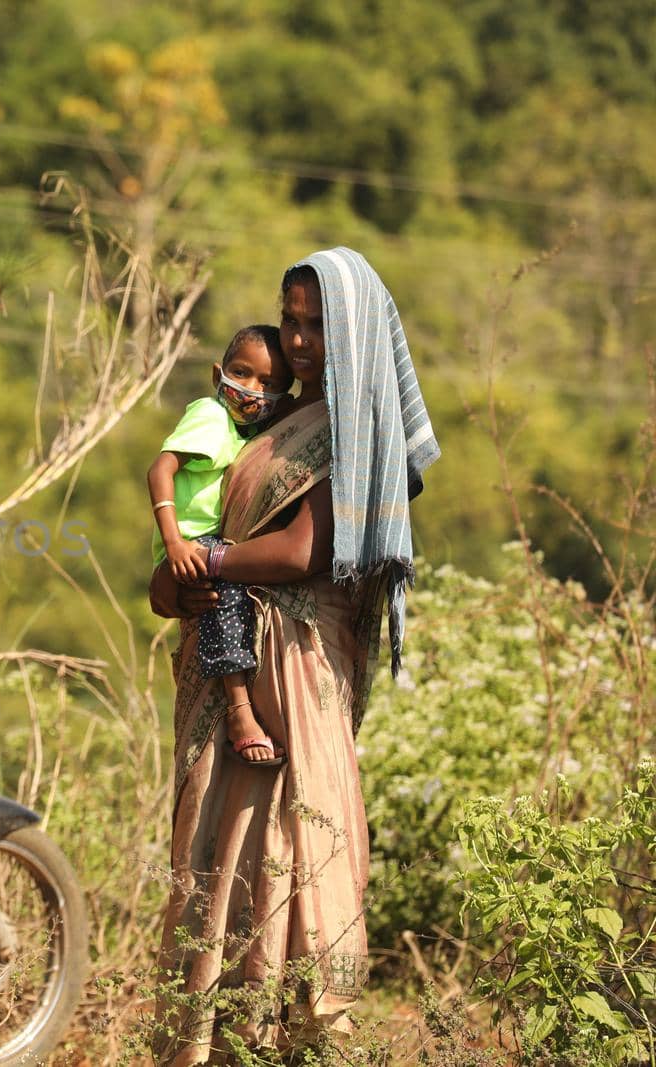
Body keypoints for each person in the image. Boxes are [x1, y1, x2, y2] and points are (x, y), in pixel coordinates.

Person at [148, 248, 439, 1062]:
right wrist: (174, 579)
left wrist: (207, 561)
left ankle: (296, 1038)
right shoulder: (257, 425)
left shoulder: (355, 438)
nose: (302, 341)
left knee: (294, 839)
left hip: (300, 668)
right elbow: (200, 545)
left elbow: (304, 551)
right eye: (292, 321)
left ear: (354, 334)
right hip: (226, 654)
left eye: (319, 325)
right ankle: (213, 1039)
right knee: (218, 845)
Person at [146, 325, 292, 767]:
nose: (250, 389)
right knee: (225, 595)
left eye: (267, 384)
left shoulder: (240, 431)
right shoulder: (210, 418)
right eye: (241, 373)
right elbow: (160, 468)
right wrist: (174, 541)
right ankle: (239, 711)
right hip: (192, 542)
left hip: (203, 541)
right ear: (217, 374)